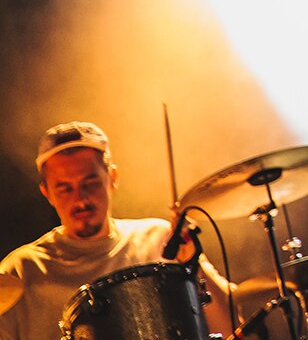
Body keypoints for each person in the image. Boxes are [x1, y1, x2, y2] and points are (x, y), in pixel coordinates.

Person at [0, 121, 235, 340]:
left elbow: (230, 327)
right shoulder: (21, 269)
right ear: (47, 193)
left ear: (112, 177)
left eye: (90, 183)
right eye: (65, 189)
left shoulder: (160, 240)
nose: (80, 199)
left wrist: (193, 264)